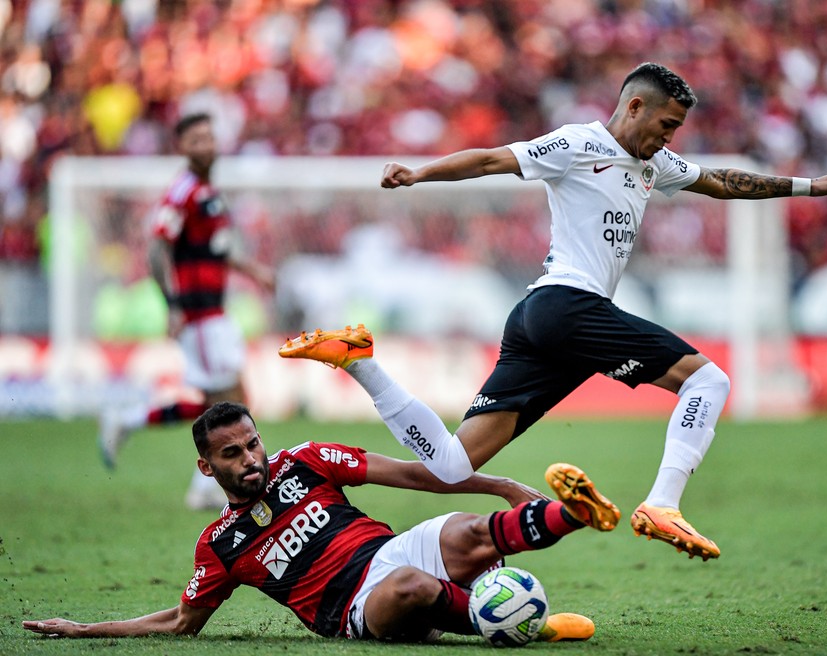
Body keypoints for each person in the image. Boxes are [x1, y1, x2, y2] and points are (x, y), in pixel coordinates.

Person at [368, 62, 827, 561]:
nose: (669, 138)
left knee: (453, 465)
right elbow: (490, 161)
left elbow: (720, 182)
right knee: (708, 381)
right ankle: (662, 505)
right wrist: (419, 174)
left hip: (541, 320)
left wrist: (810, 186)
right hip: (565, 304)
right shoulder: (577, 143)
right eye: (666, 125)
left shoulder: (655, 163)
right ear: (634, 107)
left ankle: (360, 363)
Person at [24, 400, 618, 643]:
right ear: (207, 468)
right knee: (411, 589)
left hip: (393, 551)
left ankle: (573, 514)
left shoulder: (304, 462)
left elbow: (414, 474)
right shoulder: (222, 544)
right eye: (233, 454)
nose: (251, 459)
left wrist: (497, 485)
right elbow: (182, 623)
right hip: (355, 611)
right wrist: (85, 629)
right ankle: (525, 627)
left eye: (253, 444)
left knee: (469, 527)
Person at [98, 112, 275, 510]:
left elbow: (216, 249)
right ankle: (198, 483)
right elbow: (157, 246)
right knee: (224, 403)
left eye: (209, 138)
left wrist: (254, 270)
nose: (206, 146)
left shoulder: (207, 191)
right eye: (196, 140)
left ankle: (134, 428)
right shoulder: (183, 191)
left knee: (227, 399)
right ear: (182, 147)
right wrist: (172, 304)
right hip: (197, 314)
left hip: (215, 310)